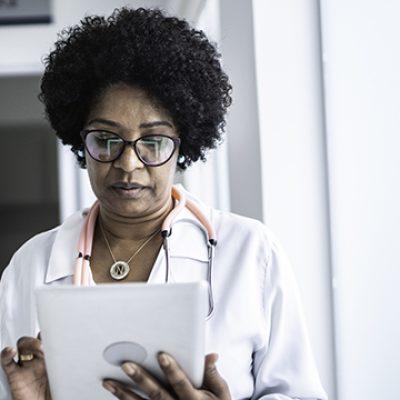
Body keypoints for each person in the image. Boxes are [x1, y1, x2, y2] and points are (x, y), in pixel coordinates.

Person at [0, 7, 328, 400]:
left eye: (153, 142)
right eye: (106, 140)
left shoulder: (251, 252)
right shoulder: (31, 264)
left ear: (182, 145)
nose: (127, 164)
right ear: (80, 144)